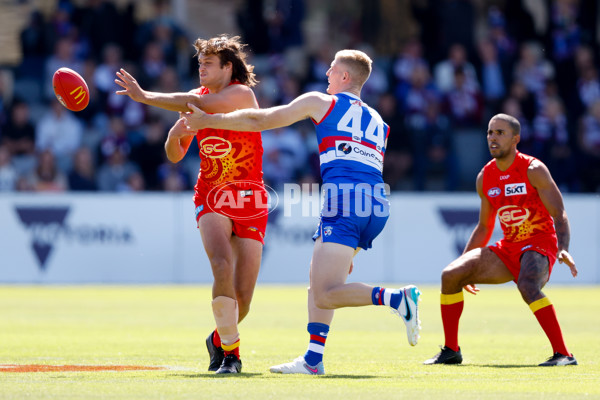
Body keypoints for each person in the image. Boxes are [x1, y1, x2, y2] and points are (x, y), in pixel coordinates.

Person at [181, 49, 422, 375]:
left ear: (345, 77)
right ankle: (313, 358)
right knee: (318, 280)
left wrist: (208, 120)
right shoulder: (379, 120)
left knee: (325, 293)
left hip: (344, 200)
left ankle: (397, 299)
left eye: (332, 70)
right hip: (376, 203)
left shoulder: (321, 102)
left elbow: (259, 120)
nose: (326, 75)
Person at [114, 34, 266, 374]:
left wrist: (144, 96)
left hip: (249, 197)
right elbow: (173, 155)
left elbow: (193, 104)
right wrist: (174, 136)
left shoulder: (242, 94)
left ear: (228, 68)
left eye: (208, 63)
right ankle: (232, 355)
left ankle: (219, 338)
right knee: (221, 264)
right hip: (211, 194)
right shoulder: (197, 101)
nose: (201, 68)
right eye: (199, 63)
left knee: (243, 299)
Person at [423, 113, 578, 367]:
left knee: (528, 285)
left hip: (540, 242)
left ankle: (564, 354)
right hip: (509, 248)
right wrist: (465, 265)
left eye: (500, 133)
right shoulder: (485, 177)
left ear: (516, 139)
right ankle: (451, 351)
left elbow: (559, 214)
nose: (492, 138)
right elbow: (485, 226)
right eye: (489, 132)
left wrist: (563, 248)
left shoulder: (533, 169)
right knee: (450, 275)